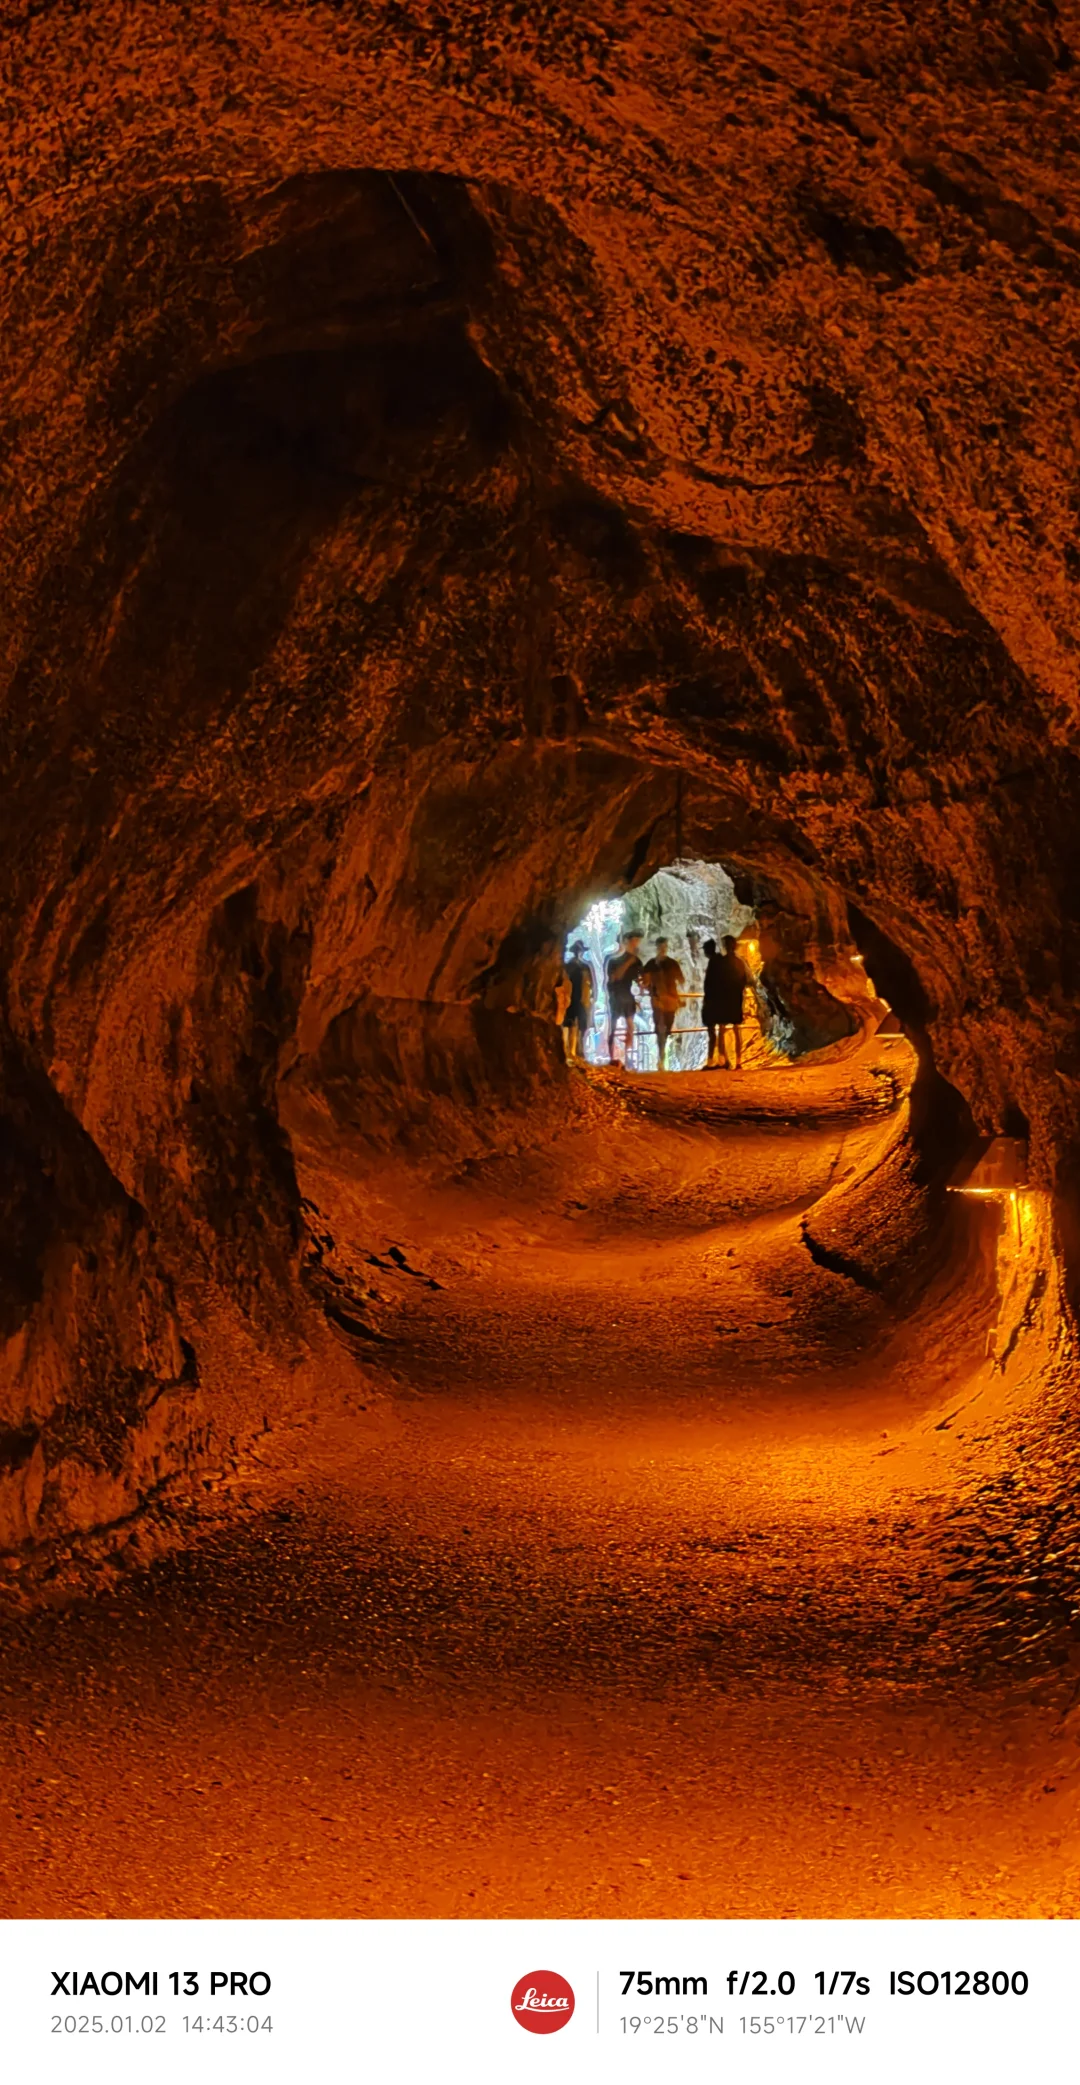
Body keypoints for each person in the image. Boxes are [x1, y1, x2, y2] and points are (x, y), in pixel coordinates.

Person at [702, 933, 750, 1069]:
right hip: (736, 998)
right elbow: (744, 980)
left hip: (725, 998)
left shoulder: (723, 962)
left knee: (722, 1028)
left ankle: (725, 1059)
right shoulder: (739, 962)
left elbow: (718, 981)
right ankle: (738, 1062)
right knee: (736, 1029)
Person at [641, 936, 685, 1070]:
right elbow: (645, 981)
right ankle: (661, 1058)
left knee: (667, 1027)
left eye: (664, 946)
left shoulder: (672, 963)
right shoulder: (651, 964)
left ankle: (662, 1054)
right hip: (657, 998)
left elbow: (681, 980)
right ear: (658, 947)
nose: (663, 949)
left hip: (671, 999)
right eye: (661, 946)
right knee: (660, 1027)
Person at [605, 931, 644, 1065]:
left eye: (637, 942)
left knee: (630, 1026)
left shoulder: (636, 962)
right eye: (633, 941)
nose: (635, 944)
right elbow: (615, 977)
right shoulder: (612, 960)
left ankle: (626, 1056)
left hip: (627, 995)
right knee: (613, 1027)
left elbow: (641, 980)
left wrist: (642, 991)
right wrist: (629, 961)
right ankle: (611, 1056)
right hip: (615, 995)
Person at [562, 939, 595, 1061]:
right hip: (573, 997)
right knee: (570, 1024)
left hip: (579, 998)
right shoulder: (574, 966)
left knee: (578, 1025)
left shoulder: (581, 966)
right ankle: (571, 1050)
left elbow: (591, 983)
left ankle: (576, 1050)